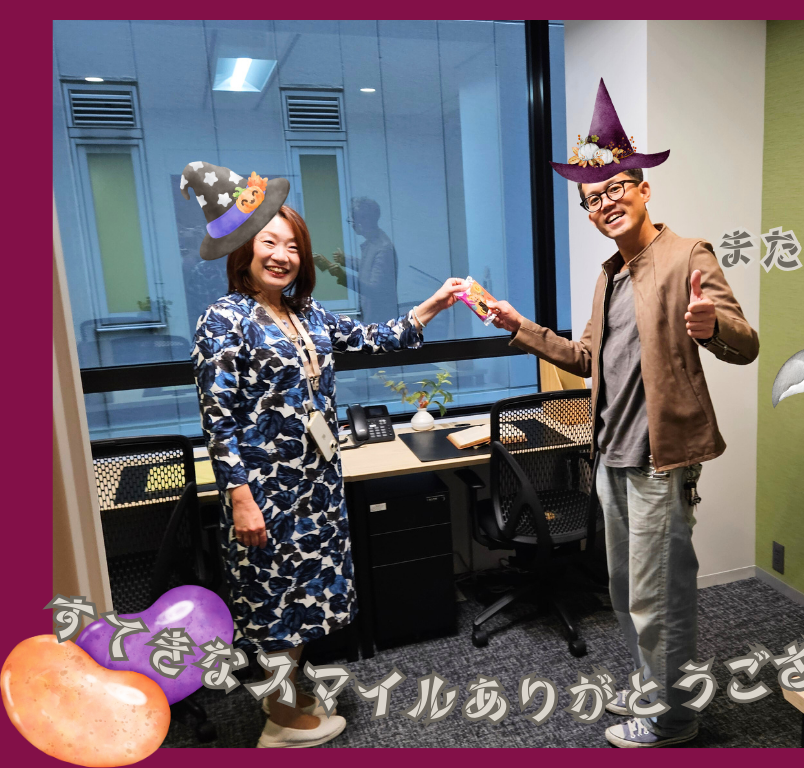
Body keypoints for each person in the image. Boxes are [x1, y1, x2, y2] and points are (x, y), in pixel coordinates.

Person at [486, 80, 759, 747]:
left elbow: (745, 343)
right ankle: (652, 686)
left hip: (662, 461)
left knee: (660, 594)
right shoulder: (610, 273)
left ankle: (674, 719)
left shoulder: (687, 255)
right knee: (625, 590)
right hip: (610, 457)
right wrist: (521, 327)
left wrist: (712, 327)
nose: (604, 203)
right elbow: (585, 357)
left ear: (643, 188)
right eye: (591, 199)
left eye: (614, 189)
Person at [182, 161, 463, 748]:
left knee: (304, 600)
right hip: (265, 495)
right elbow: (218, 420)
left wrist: (433, 305)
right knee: (273, 605)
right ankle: (279, 723)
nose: (282, 255)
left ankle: (289, 697)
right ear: (243, 248)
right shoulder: (224, 320)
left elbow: (374, 338)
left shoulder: (304, 313)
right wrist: (240, 499)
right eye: (269, 243)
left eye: (292, 245)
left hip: (316, 488)